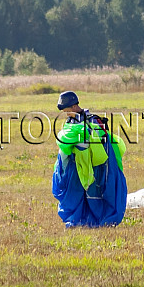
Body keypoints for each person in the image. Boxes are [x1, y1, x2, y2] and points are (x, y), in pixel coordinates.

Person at [52, 91, 127, 227]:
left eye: (68, 110)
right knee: (77, 193)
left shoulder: (93, 120)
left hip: (96, 166)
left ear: (74, 106)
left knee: (94, 192)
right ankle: (81, 220)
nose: (67, 114)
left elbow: (103, 142)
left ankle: (99, 221)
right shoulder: (71, 121)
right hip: (77, 164)